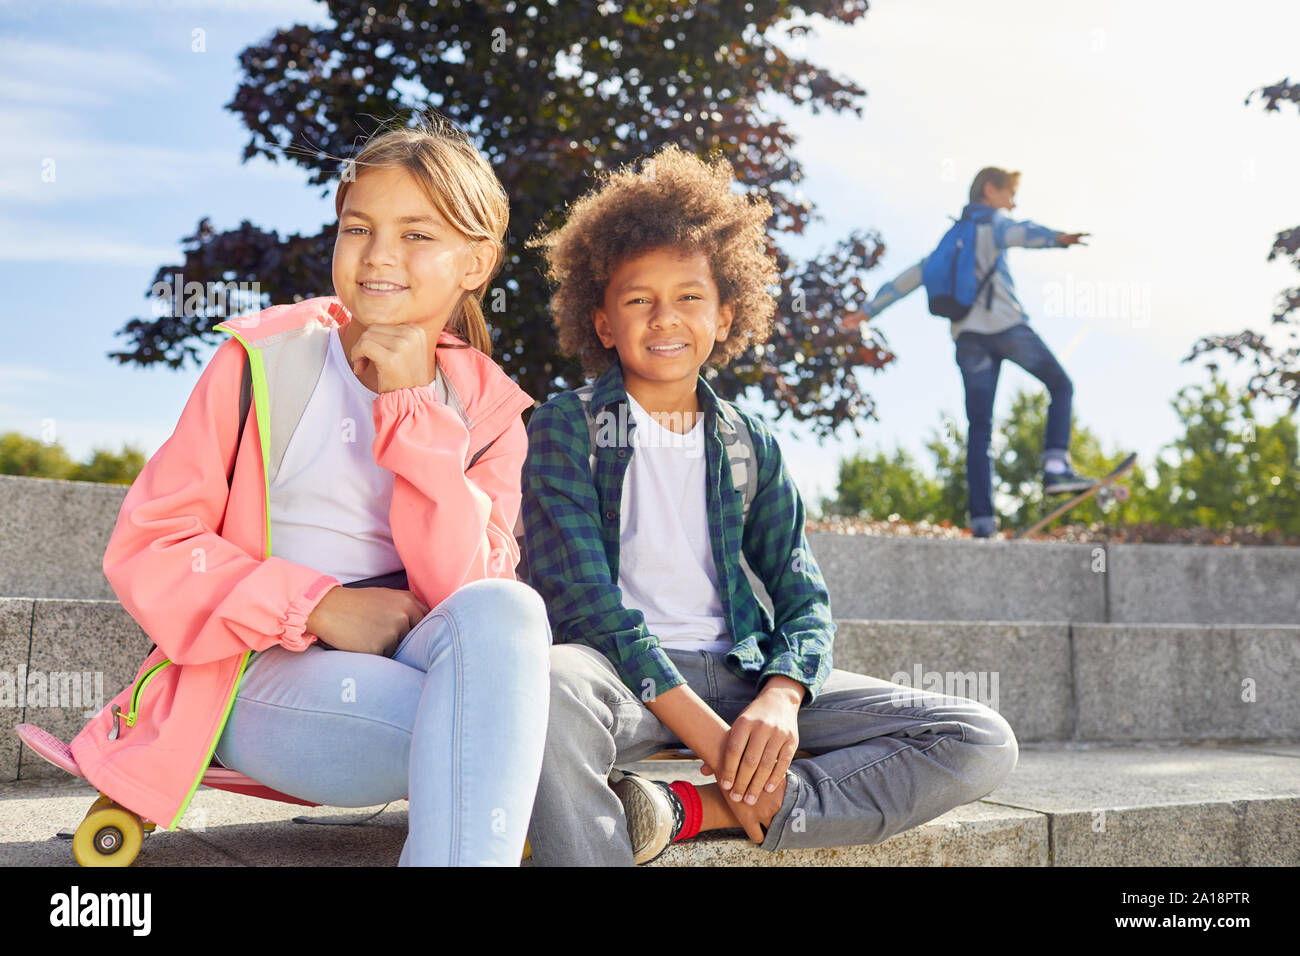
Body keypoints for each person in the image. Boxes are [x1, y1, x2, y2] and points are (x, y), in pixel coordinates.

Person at [69, 116, 551, 866]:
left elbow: (467, 596)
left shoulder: (490, 412)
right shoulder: (264, 361)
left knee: (509, 608)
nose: (379, 256)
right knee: (488, 732)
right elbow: (152, 545)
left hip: (415, 663)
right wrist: (320, 605)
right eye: (358, 228)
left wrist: (415, 413)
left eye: (417, 235)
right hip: (257, 680)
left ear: (475, 262)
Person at [520, 145, 1018, 865]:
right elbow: (583, 607)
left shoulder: (750, 443)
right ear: (602, 324)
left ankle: (689, 809)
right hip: (618, 682)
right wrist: (711, 739)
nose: (666, 318)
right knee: (547, 684)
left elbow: (801, 595)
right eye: (638, 299)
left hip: (738, 677)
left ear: (726, 315)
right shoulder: (567, 426)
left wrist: (782, 694)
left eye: (690, 297)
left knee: (976, 738)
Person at [843, 167, 1094, 537]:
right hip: (1006, 327)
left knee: (980, 428)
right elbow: (1023, 232)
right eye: (1009, 194)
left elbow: (911, 277)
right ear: (989, 191)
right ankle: (1055, 467)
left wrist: (867, 311)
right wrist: (1057, 238)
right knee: (1061, 385)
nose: (1012, 202)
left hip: (967, 338)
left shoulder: (951, 239)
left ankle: (982, 520)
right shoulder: (993, 225)